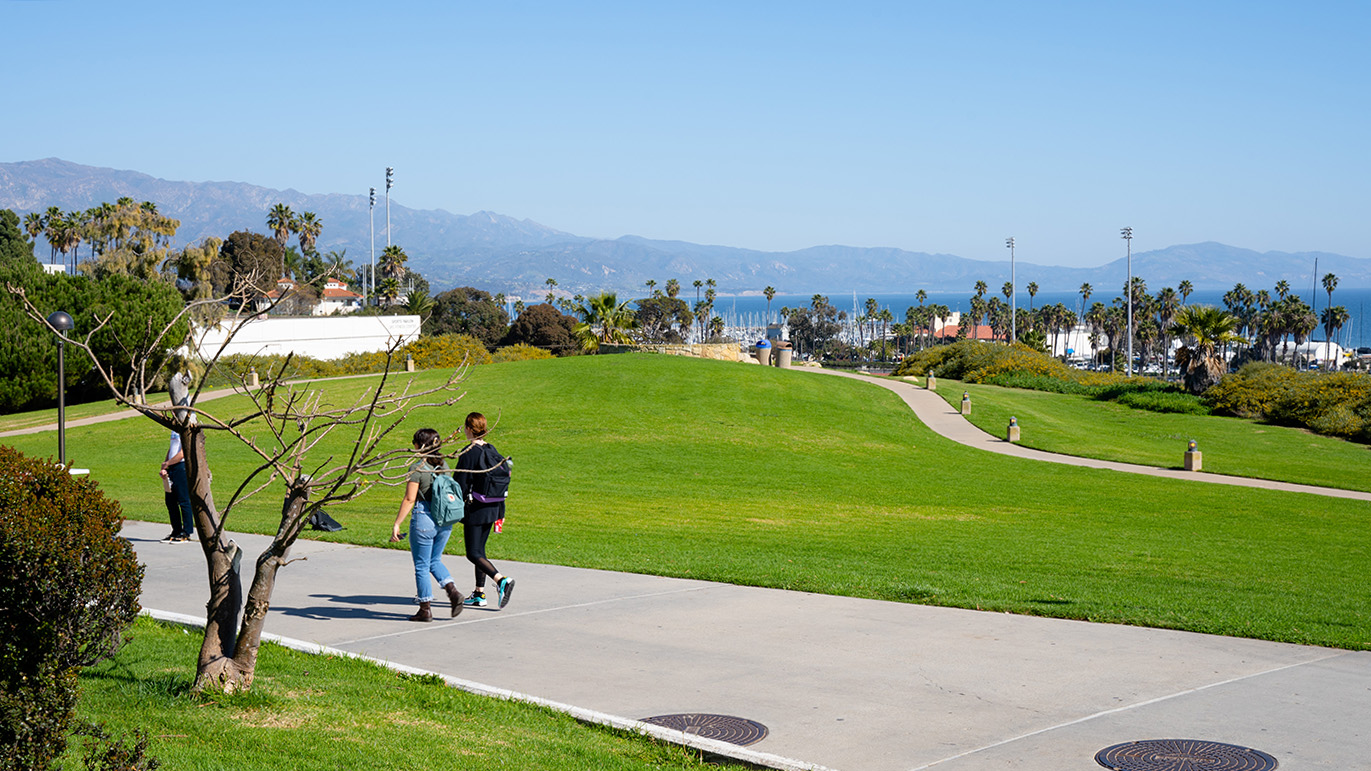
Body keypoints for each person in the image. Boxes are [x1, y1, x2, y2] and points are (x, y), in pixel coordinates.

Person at [390, 428, 464, 622]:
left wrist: (397, 524)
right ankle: (452, 591)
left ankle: (425, 609)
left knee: (422, 565)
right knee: (435, 560)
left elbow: (409, 499)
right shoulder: (444, 465)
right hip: (444, 520)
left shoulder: (417, 468)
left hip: (424, 518)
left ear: (419, 446)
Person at [456, 412, 515, 609]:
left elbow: (459, 485)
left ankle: (501, 581)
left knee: (473, 553)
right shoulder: (492, 450)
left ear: (468, 429)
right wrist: (501, 512)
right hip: (493, 507)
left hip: (475, 509)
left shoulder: (468, 452)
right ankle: (479, 593)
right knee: (480, 551)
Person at [160, 431, 194, 542]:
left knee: (183, 500)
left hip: (181, 466)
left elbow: (183, 453)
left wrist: (168, 463)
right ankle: (176, 530)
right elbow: (171, 449)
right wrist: (165, 465)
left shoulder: (186, 428)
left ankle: (186, 532)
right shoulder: (174, 428)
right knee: (170, 501)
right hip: (172, 466)